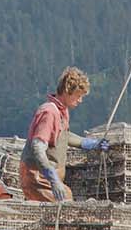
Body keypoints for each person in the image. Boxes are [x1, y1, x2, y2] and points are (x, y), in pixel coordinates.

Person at [19, 67, 108, 202]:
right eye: (78, 95)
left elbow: (64, 135)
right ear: (67, 90)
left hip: (46, 178)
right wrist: (53, 179)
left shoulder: (62, 112)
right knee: (65, 207)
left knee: (68, 196)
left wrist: (90, 143)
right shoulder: (49, 112)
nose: (80, 100)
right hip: (37, 178)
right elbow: (37, 147)